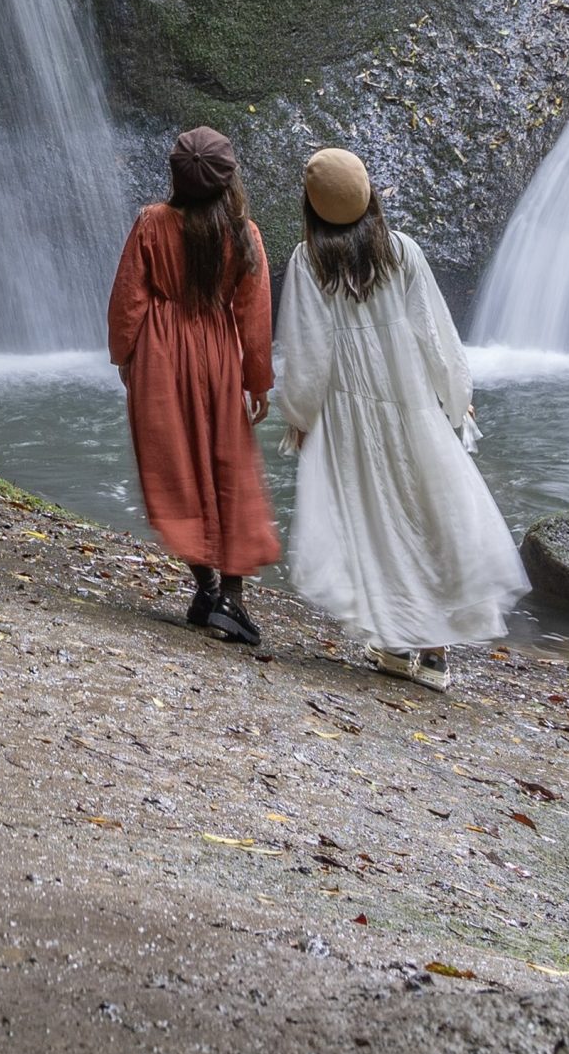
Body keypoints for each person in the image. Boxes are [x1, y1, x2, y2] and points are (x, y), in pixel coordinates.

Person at [271, 147, 527, 691]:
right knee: (428, 515)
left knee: (374, 521)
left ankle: (393, 643)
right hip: (410, 404)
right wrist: (455, 397)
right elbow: (434, 332)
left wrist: (300, 412)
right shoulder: (400, 250)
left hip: (348, 414)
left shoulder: (307, 259)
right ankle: (433, 653)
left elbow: (307, 351)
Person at [108, 125, 279, 645]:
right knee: (230, 465)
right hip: (218, 354)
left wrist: (124, 355)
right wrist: (257, 381)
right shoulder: (243, 233)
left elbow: (128, 299)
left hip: (160, 353)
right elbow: (254, 314)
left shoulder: (151, 223)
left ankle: (205, 586)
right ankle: (230, 596)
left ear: (177, 177)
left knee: (174, 467)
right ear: (229, 180)